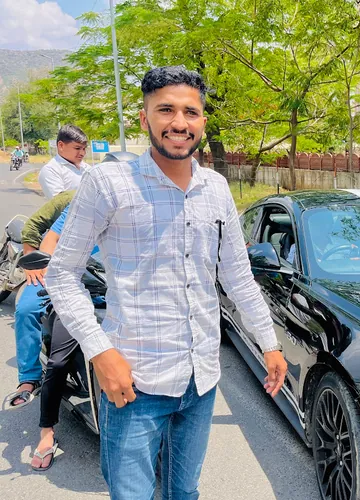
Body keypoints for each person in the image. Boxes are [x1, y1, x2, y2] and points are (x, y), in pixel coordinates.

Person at [46, 65, 287, 500]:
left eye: (190, 112)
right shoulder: (109, 183)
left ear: (202, 122)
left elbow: (236, 274)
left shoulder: (216, 187)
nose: (179, 122)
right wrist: (100, 351)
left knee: (185, 492)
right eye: (165, 110)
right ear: (145, 119)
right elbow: (62, 274)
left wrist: (269, 343)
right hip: (135, 382)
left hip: (201, 380)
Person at [29, 205, 100, 471]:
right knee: (58, 362)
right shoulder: (81, 205)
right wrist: (50, 269)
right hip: (76, 295)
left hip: (119, 297)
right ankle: (46, 432)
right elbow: (51, 240)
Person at [3, 191, 75, 410]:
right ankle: (29, 378)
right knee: (27, 309)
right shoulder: (76, 201)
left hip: (101, 278)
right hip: (58, 271)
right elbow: (48, 236)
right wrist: (41, 265)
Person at [38, 125, 89, 199]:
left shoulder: (87, 168)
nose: (82, 153)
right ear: (61, 146)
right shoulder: (51, 170)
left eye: (84, 149)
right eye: (77, 148)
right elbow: (60, 202)